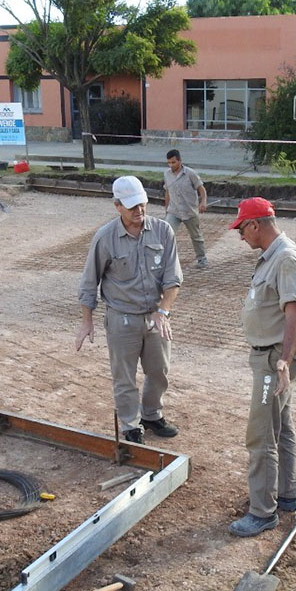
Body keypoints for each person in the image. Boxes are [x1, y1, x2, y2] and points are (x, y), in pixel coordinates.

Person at [76, 176, 183, 444]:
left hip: (155, 317)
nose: (140, 211)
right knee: (124, 377)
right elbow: (90, 282)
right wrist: (86, 321)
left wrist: (164, 310)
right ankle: (131, 426)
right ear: (117, 206)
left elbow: (173, 279)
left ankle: (151, 415)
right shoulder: (105, 238)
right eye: (132, 206)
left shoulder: (162, 231)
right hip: (121, 319)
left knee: (159, 372)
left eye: (143, 204)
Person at [228, 197, 296, 537]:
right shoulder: (273, 257)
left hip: (274, 359)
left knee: (260, 434)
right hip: (271, 356)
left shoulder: (285, 258)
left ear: (256, 225)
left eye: (241, 229)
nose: (240, 236)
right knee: (282, 424)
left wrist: (283, 364)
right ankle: (286, 495)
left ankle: (263, 512)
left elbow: (295, 311)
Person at [163, 148, 210, 269]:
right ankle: (167, 261)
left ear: (179, 161)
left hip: (190, 211)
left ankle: (202, 259)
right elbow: (167, 191)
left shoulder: (190, 173)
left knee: (196, 236)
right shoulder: (166, 174)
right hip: (174, 211)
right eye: (169, 163)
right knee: (167, 234)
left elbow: (201, 189)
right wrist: (166, 208)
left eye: (173, 162)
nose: (171, 165)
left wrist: (203, 202)